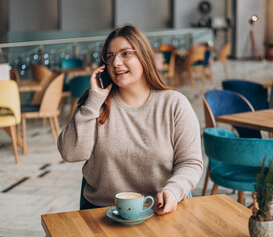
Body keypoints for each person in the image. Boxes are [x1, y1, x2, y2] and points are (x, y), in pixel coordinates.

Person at [57, 25, 203, 215]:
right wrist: (93, 101)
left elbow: (190, 162)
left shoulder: (174, 104)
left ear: (144, 56)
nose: (116, 62)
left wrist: (173, 190)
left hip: (157, 211)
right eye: (110, 57)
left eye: (125, 54)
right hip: (101, 213)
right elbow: (70, 153)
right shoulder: (94, 104)